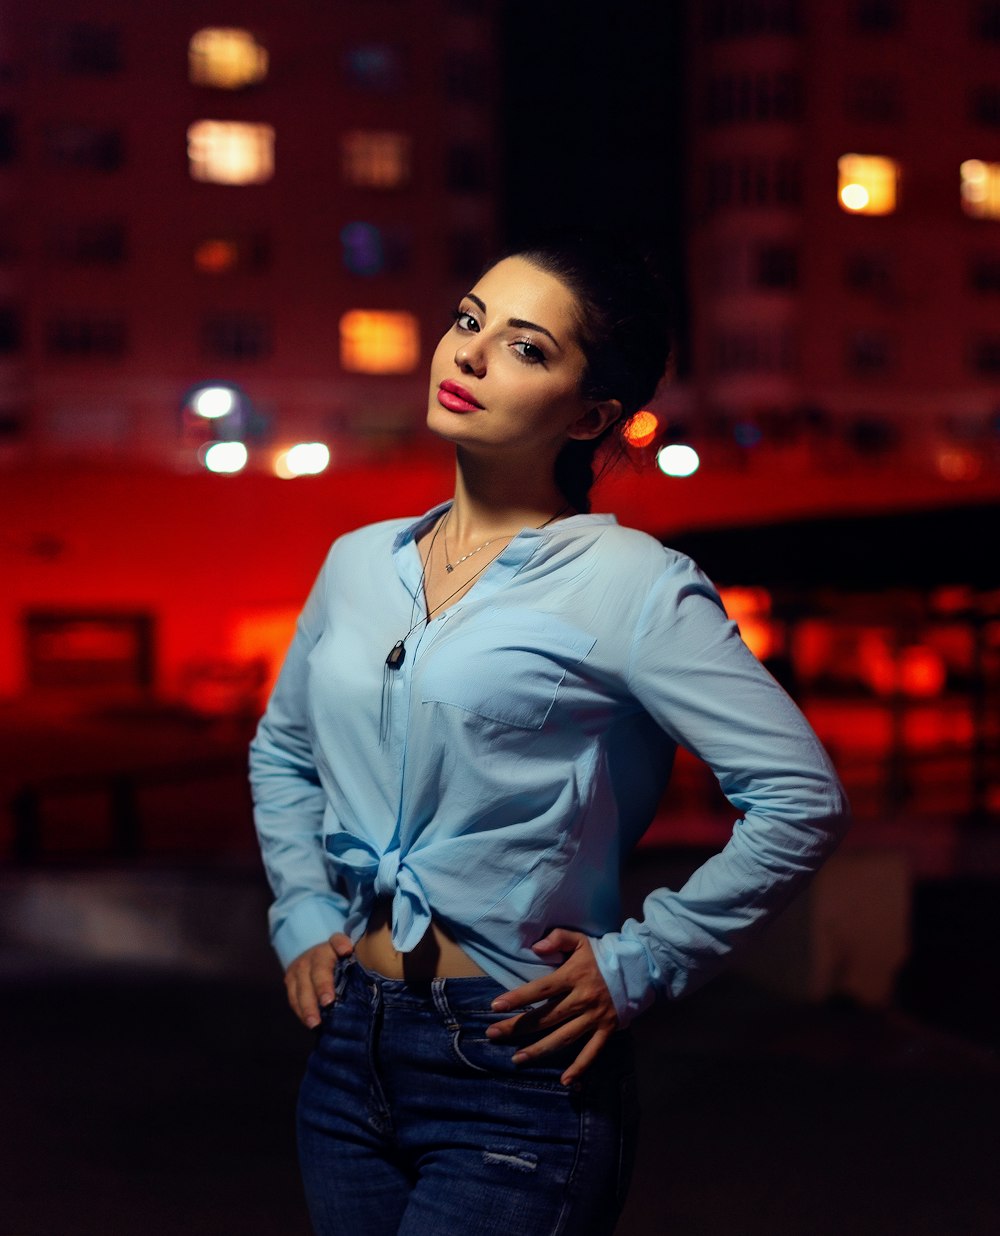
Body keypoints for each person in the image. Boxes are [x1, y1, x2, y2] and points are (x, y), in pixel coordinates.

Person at [249, 233, 849, 1235]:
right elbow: (284, 752)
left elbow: (799, 798)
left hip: (518, 1065)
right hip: (349, 1051)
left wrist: (640, 961)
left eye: (526, 347)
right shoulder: (356, 562)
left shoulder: (633, 587)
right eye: (469, 321)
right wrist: (304, 910)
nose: (469, 355)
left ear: (590, 416)